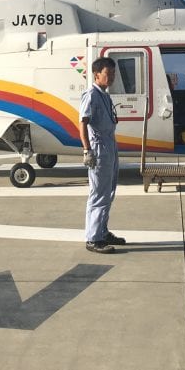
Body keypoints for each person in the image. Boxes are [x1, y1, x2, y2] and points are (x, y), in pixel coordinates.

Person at [80, 56, 126, 254]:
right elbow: (83, 123)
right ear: (97, 74)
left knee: (109, 192)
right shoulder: (91, 95)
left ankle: (102, 231)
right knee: (99, 194)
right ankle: (93, 238)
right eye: (108, 74)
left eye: (114, 73)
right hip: (99, 149)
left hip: (110, 146)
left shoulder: (105, 95)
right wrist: (87, 150)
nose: (112, 77)